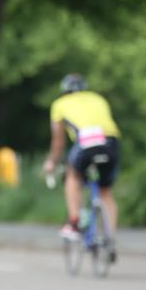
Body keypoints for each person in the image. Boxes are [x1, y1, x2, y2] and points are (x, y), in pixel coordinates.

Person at [42, 73, 121, 261]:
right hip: (111, 142)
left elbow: (58, 141)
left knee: (73, 176)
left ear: (65, 90)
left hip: (86, 142)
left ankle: (75, 221)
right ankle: (110, 238)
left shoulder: (59, 104)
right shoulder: (98, 98)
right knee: (106, 192)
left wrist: (52, 161)